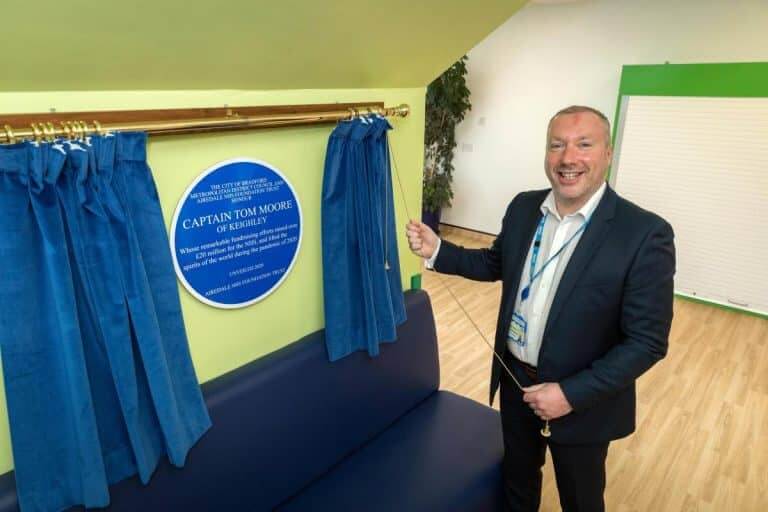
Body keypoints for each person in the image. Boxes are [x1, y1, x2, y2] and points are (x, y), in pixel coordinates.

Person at [406, 106, 675, 512]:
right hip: (517, 384)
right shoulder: (524, 207)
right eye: (557, 145)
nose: (568, 158)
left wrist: (569, 394)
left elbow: (647, 342)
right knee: (517, 484)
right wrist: (438, 250)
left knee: (581, 500)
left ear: (608, 153)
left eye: (584, 144)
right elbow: (494, 263)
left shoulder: (644, 233)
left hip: (583, 403)